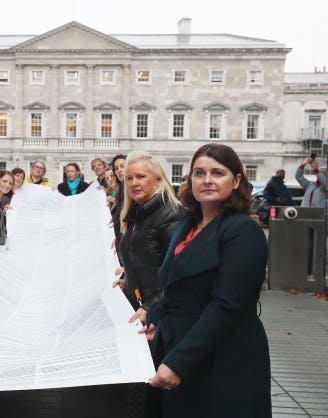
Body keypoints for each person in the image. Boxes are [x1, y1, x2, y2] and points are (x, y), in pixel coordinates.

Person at [141, 143, 271, 417]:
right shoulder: (190, 224)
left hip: (221, 357)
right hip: (181, 346)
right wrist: (154, 317)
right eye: (199, 173)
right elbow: (177, 286)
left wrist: (179, 362)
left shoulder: (243, 230)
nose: (207, 180)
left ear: (236, 181)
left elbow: (226, 306)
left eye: (217, 173)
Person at [117, 151, 185, 323]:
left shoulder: (172, 215)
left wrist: (151, 307)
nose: (134, 183)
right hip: (140, 310)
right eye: (129, 178)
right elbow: (144, 261)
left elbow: (179, 275)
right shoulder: (135, 215)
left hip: (161, 315)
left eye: (140, 176)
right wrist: (128, 279)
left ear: (158, 180)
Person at [295, 156, 327, 279]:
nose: (320, 176)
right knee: (306, 245)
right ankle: (306, 270)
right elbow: (299, 177)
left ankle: (317, 272)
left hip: (319, 219)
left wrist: (316, 169)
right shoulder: (310, 185)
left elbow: (324, 182)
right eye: (320, 173)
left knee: (317, 247)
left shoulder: (325, 187)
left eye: (323, 173)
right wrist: (303, 164)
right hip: (305, 217)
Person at [110, 154, 127, 252]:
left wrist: (121, 239)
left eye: (122, 166)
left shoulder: (131, 189)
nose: (119, 170)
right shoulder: (121, 189)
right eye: (116, 168)